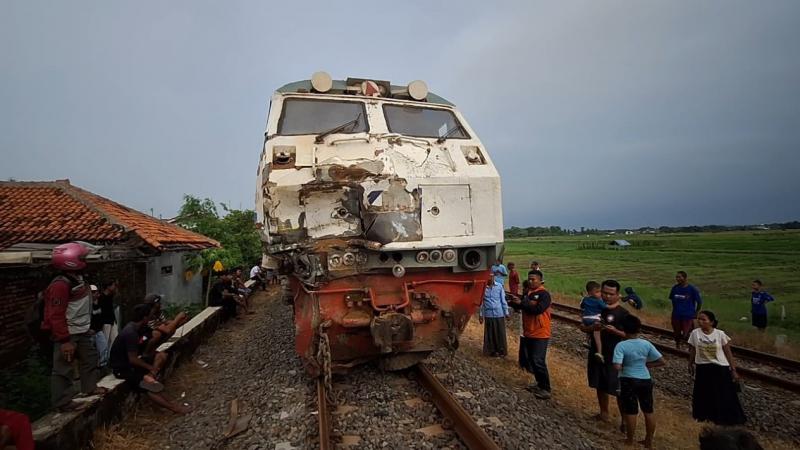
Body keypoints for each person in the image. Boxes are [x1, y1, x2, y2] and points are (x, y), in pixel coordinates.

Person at [42, 241, 107, 411]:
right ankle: (63, 402)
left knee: (90, 357)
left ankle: (89, 387)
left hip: (82, 330)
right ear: (71, 260)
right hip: (67, 333)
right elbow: (56, 314)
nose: (85, 261)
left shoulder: (77, 279)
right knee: (63, 368)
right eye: (82, 257)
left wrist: (87, 326)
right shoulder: (60, 285)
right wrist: (64, 340)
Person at [109, 304, 190, 414]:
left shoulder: (141, 327)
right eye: (150, 316)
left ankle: (152, 378)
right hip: (123, 368)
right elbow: (132, 359)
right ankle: (174, 408)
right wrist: (150, 367)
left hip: (132, 363)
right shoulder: (130, 333)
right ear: (144, 318)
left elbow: (165, 332)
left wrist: (179, 322)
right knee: (148, 385)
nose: (152, 318)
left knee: (161, 356)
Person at [580, 279, 630, 429]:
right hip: (597, 351)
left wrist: (613, 331)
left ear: (618, 295)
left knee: (618, 388)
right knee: (599, 383)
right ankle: (604, 413)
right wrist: (591, 328)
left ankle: (625, 421)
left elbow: (629, 335)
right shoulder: (596, 307)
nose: (607, 296)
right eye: (604, 293)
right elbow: (582, 326)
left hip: (616, 356)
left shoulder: (623, 314)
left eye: (611, 294)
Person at [612, 315, 665, 449]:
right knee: (648, 410)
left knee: (631, 410)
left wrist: (624, 367)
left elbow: (617, 366)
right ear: (638, 329)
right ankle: (648, 441)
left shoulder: (621, 345)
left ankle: (629, 440)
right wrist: (647, 365)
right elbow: (661, 361)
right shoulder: (646, 344)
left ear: (623, 329)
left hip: (628, 379)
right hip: (645, 379)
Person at [687, 310, 746, 425]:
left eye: (704, 319)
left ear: (711, 322)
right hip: (703, 367)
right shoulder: (695, 333)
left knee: (723, 393)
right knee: (703, 393)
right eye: (699, 319)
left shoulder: (720, 334)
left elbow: (728, 353)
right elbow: (693, 349)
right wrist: (690, 363)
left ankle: (726, 417)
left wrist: (733, 370)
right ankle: (703, 415)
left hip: (719, 368)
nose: (700, 321)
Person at [509, 270, 552, 399]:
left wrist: (522, 303)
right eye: (529, 279)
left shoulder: (544, 295)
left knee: (538, 360)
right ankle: (539, 384)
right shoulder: (528, 293)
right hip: (529, 332)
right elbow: (522, 307)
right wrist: (513, 302)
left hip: (540, 332)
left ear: (540, 281)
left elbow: (538, 310)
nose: (531, 281)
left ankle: (546, 388)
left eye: (534, 279)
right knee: (532, 360)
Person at [668, 271, 702, 348]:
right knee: (676, 332)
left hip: (687, 315)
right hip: (676, 314)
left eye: (679, 277)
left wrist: (696, 312)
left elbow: (699, 302)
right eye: (677, 277)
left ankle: (690, 346)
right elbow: (672, 299)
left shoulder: (692, 289)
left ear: (685, 278)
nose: (677, 279)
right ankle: (678, 345)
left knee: (686, 333)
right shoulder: (675, 288)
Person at [479, 274, 509, 357]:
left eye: (491, 277)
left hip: (499, 313)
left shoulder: (499, 286)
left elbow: (503, 300)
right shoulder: (483, 288)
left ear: (494, 277)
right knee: (490, 334)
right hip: (489, 314)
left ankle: (501, 351)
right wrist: (481, 315)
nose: (490, 279)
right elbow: (481, 303)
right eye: (488, 277)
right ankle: (491, 351)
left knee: (500, 333)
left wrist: (506, 313)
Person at [580, 281, 607, 363]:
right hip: (594, 319)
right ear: (591, 292)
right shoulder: (598, 301)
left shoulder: (585, 299)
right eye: (597, 292)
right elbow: (604, 307)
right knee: (597, 335)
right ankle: (599, 352)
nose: (599, 294)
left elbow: (582, 306)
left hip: (585, 318)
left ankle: (587, 340)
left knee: (588, 330)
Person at [89, 284, 109, 368]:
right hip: (90, 331)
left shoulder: (100, 302)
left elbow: (101, 316)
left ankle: (103, 366)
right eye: (92, 292)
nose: (95, 294)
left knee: (104, 347)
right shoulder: (87, 305)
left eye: (95, 292)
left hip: (98, 330)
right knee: (90, 351)